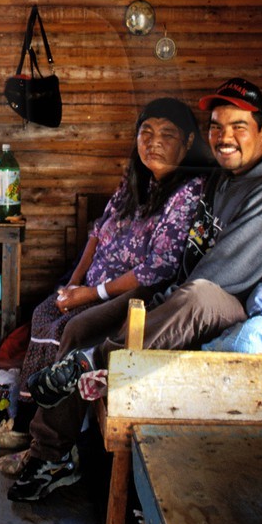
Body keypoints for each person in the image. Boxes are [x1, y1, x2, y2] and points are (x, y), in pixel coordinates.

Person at [7, 77, 262, 503]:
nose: (225, 138)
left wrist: (150, 302)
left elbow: (217, 277)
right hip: (191, 285)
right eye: (218, 126)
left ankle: (91, 365)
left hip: (236, 298)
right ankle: (50, 455)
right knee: (80, 326)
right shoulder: (228, 177)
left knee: (195, 296)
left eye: (239, 127)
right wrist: (118, 301)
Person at [18, 97, 216, 389]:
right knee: (43, 311)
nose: (154, 143)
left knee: (68, 327)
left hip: (126, 294)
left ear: (187, 143)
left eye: (167, 135)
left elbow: (158, 269)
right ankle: (26, 410)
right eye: (146, 133)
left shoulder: (188, 192)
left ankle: (41, 418)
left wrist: (88, 295)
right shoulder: (137, 178)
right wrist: (71, 285)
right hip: (88, 288)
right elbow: (98, 231)